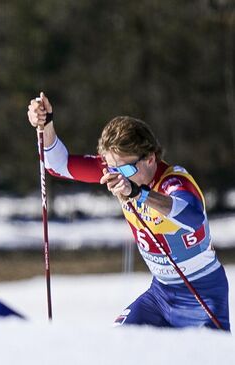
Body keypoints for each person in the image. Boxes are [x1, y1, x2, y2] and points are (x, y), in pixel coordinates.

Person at [27, 92, 230, 331]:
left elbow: (192, 217)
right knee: (116, 344)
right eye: (112, 167)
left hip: (203, 294)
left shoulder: (173, 181)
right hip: (161, 296)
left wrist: (139, 194)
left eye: (125, 169)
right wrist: (46, 124)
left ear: (150, 158)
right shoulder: (119, 168)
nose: (116, 175)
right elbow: (57, 165)